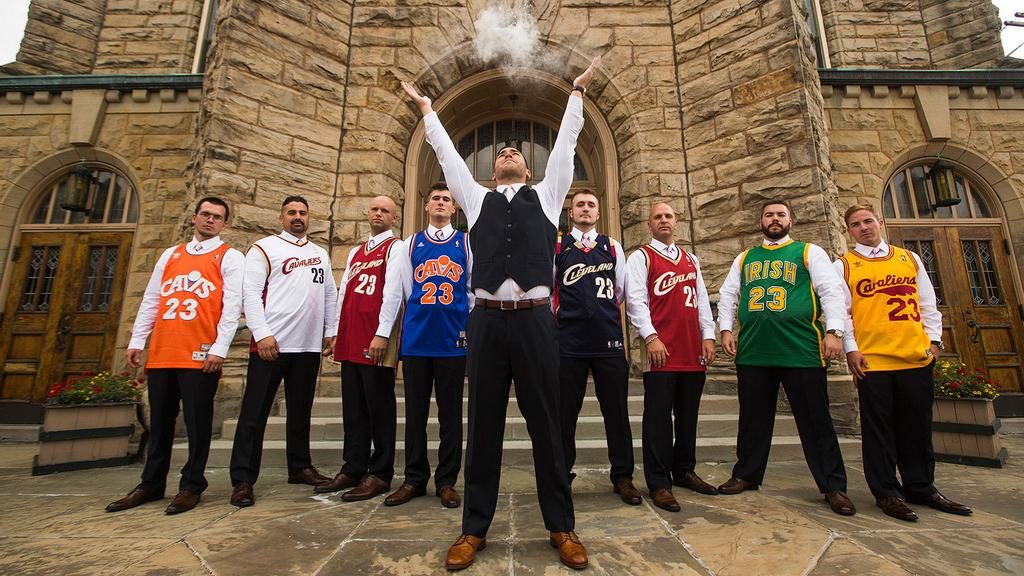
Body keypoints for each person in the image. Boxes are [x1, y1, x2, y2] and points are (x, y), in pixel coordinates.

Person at [401, 55, 599, 571]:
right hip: (486, 320)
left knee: (547, 427)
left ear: (528, 169)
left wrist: (576, 93)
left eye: (517, 151)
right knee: (483, 425)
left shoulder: (549, 194)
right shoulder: (476, 197)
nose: (509, 151)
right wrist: (427, 110)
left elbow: (566, 145)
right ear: (492, 170)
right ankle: (473, 529)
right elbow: (445, 155)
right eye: (502, 151)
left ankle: (561, 525)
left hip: (535, 321)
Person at [717, 200, 856, 517]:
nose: (775, 219)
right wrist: (725, 329)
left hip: (801, 350)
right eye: (769, 215)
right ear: (760, 221)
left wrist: (835, 330)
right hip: (754, 351)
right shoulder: (745, 258)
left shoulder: (809, 252)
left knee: (816, 421)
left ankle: (833, 486)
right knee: (752, 420)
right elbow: (728, 294)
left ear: (791, 220)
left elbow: (831, 291)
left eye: (780, 214)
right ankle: (746, 474)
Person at [106, 197, 244, 515]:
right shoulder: (170, 255)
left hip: (199, 354)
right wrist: (137, 340)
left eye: (217, 217)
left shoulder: (230, 257)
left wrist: (219, 349)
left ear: (225, 224)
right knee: (160, 425)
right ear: (194, 218)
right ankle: (151, 483)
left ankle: (192, 484)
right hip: (163, 352)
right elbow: (152, 299)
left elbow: (231, 307)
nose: (210, 221)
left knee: (197, 424)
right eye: (206, 215)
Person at [835, 204, 971, 521]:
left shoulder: (909, 258)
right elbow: (841, 313)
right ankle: (887, 492)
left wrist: (934, 342)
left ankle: (921, 487)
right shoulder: (843, 265)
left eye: (868, 221)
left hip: (914, 356)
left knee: (917, 427)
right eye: (855, 224)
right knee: (879, 431)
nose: (864, 227)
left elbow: (927, 303)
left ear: (880, 222)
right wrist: (851, 349)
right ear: (849, 231)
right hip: (873, 360)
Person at [229, 196, 338, 507]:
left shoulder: (319, 253)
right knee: (254, 414)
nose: (298, 217)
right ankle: (243, 479)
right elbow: (249, 293)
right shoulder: (264, 248)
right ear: (281, 217)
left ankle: (300, 466)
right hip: (271, 346)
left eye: (303, 212)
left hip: (306, 346)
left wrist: (331, 330)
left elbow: (329, 292)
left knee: (300, 412)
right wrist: (262, 334)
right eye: (292, 212)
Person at [381, 184, 471, 509]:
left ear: (454, 209)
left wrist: (468, 329)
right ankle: (414, 478)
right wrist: (383, 331)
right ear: (427, 206)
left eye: (446, 199)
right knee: (415, 414)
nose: (441, 203)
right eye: (436, 198)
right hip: (418, 340)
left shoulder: (465, 242)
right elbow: (399, 292)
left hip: (452, 341)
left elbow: (472, 290)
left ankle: (446, 481)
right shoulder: (410, 244)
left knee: (450, 415)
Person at [624, 202, 717, 513]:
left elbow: (702, 299)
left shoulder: (691, 259)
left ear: (676, 222)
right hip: (661, 350)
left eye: (668, 216)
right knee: (658, 419)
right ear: (649, 224)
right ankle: (659, 481)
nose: (663, 221)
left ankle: (684, 470)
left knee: (688, 415)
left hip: (692, 348)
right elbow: (635, 300)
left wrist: (709, 335)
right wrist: (650, 337)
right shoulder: (641, 257)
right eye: (657, 217)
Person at [555, 189, 641, 506]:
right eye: (580, 205)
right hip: (569, 343)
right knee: (565, 415)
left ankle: (623, 477)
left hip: (608, 343)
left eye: (591, 205)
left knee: (616, 413)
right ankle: (562, 474)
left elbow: (621, 292)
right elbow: (552, 292)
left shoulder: (612, 247)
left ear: (598, 213)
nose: (586, 210)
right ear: (571, 213)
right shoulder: (559, 247)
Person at [315, 195, 404, 502]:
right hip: (351, 335)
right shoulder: (355, 251)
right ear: (368, 213)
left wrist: (382, 334)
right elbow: (344, 293)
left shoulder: (396, 248)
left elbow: (393, 293)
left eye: (386, 210)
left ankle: (380, 472)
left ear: (394, 217)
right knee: (353, 408)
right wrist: (336, 331)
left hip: (374, 338)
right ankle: (353, 467)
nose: (379, 214)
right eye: (375, 209)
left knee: (378, 406)